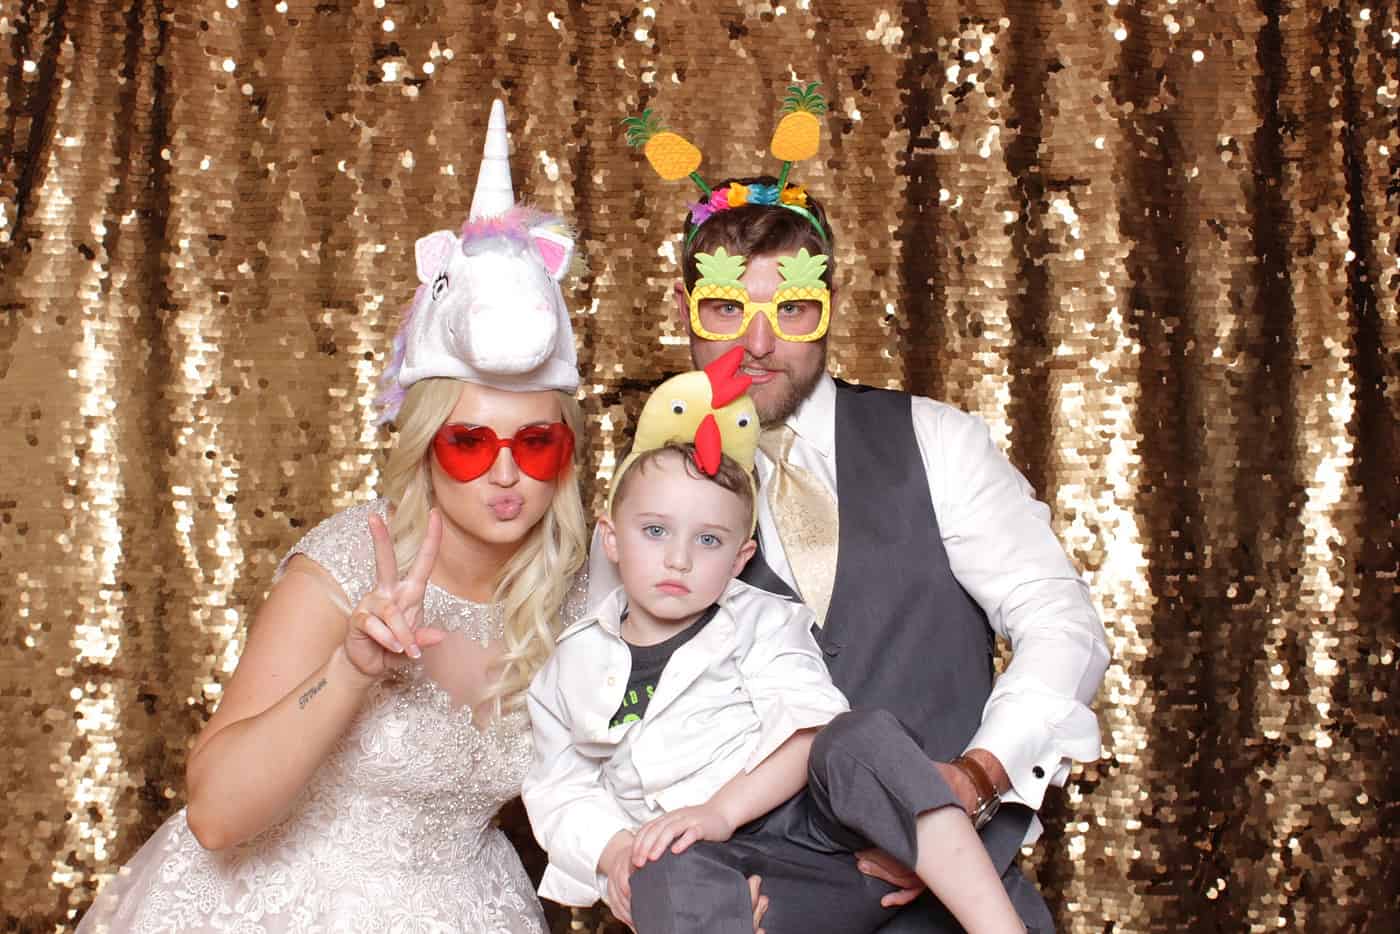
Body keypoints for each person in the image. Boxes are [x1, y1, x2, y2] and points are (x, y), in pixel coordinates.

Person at [595, 85, 1112, 931]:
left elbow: (1062, 622)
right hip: (764, 898)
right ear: (686, 312)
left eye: (791, 308)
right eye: (726, 308)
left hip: (952, 896)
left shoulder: (938, 442)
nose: (757, 342)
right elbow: (598, 699)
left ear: (829, 308)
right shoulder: (649, 494)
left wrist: (976, 779)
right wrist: (624, 855)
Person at [78, 100, 590, 934]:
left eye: (536, 443)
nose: (506, 472)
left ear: (566, 453)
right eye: (469, 443)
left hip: (468, 909)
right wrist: (352, 670)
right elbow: (215, 816)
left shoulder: (586, 587)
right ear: (426, 448)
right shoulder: (353, 559)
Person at [524, 356, 1025, 934]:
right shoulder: (570, 663)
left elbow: (809, 729)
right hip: (741, 879)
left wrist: (721, 811)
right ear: (611, 539)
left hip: (833, 840)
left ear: (741, 558)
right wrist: (615, 856)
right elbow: (560, 788)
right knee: (660, 870)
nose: (678, 559)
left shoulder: (762, 621)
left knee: (857, 737)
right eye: (655, 531)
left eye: (708, 540)